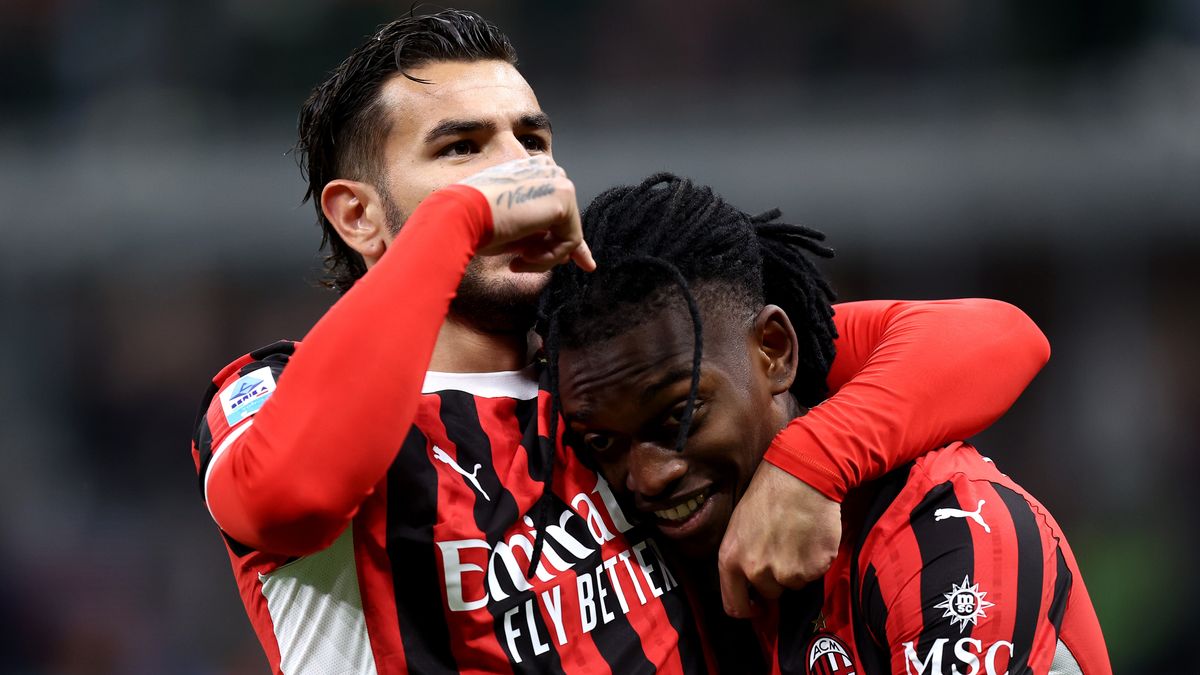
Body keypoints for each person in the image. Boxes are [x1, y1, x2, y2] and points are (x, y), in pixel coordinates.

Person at [189, 9, 1051, 673]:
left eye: (532, 140)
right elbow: (290, 495)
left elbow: (985, 338)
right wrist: (464, 217)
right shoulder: (271, 391)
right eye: (462, 148)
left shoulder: (601, 363)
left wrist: (811, 464)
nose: (518, 169)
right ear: (358, 215)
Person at [546, 173, 1111, 674]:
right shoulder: (606, 479)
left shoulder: (944, 532)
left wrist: (807, 466)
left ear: (775, 351)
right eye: (604, 441)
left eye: (679, 415)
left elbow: (1001, 334)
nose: (647, 476)